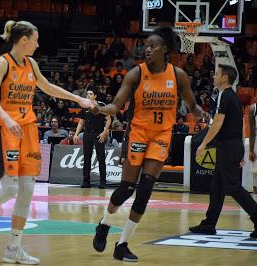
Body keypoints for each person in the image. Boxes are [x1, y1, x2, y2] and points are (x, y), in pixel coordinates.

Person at [0, 20, 92, 265]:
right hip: (8, 129)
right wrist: (7, 118)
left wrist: (77, 99)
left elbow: (48, 87)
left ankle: (14, 247)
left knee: (28, 190)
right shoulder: (2, 63)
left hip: (28, 128)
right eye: (36, 39)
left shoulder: (32, 64)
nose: (38, 44)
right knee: (10, 189)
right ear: (23, 40)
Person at [90, 26, 206, 262]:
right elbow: (117, 104)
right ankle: (104, 223)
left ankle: (122, 244)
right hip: (138, 133)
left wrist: (200, 112)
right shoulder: (136, 73)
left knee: (145, 189)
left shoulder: (178, 75)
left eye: (153, 46)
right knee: (126, 189)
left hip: (161, 135)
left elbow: (192, 105)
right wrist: (100, 108)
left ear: (165, 50)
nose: (147, 49)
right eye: (146, 46)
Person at [189, 64, 257, 238]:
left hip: (227, 145)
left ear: (225, 78)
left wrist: (203, 143)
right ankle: (209, 224)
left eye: (217, 74)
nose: (214, 77)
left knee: (233, 187)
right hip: (232, 145)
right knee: (218, 187)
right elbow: (241, 124)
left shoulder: (224, 95)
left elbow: (217, 123)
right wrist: (241, 149)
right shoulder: (233, 97)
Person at [74, 88, 111, 189]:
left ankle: (103, 182)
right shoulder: (84, 106)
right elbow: (81, 122)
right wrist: (76, 134)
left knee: (101, 158)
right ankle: (86, 182)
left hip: (99, 134)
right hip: (87, 134)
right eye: (87, 94)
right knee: (86, 158)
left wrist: (104, 132)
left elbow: (108, 120)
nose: (88, 95)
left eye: (91, 93)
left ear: (95, 96)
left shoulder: (101, 106)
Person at [249, 102, 257, 204]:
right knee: (256, 174)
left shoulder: (253, 108)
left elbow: (252, 132)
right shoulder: (253, 108)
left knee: (256, 174)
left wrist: (251, 150)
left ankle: (256, 206)